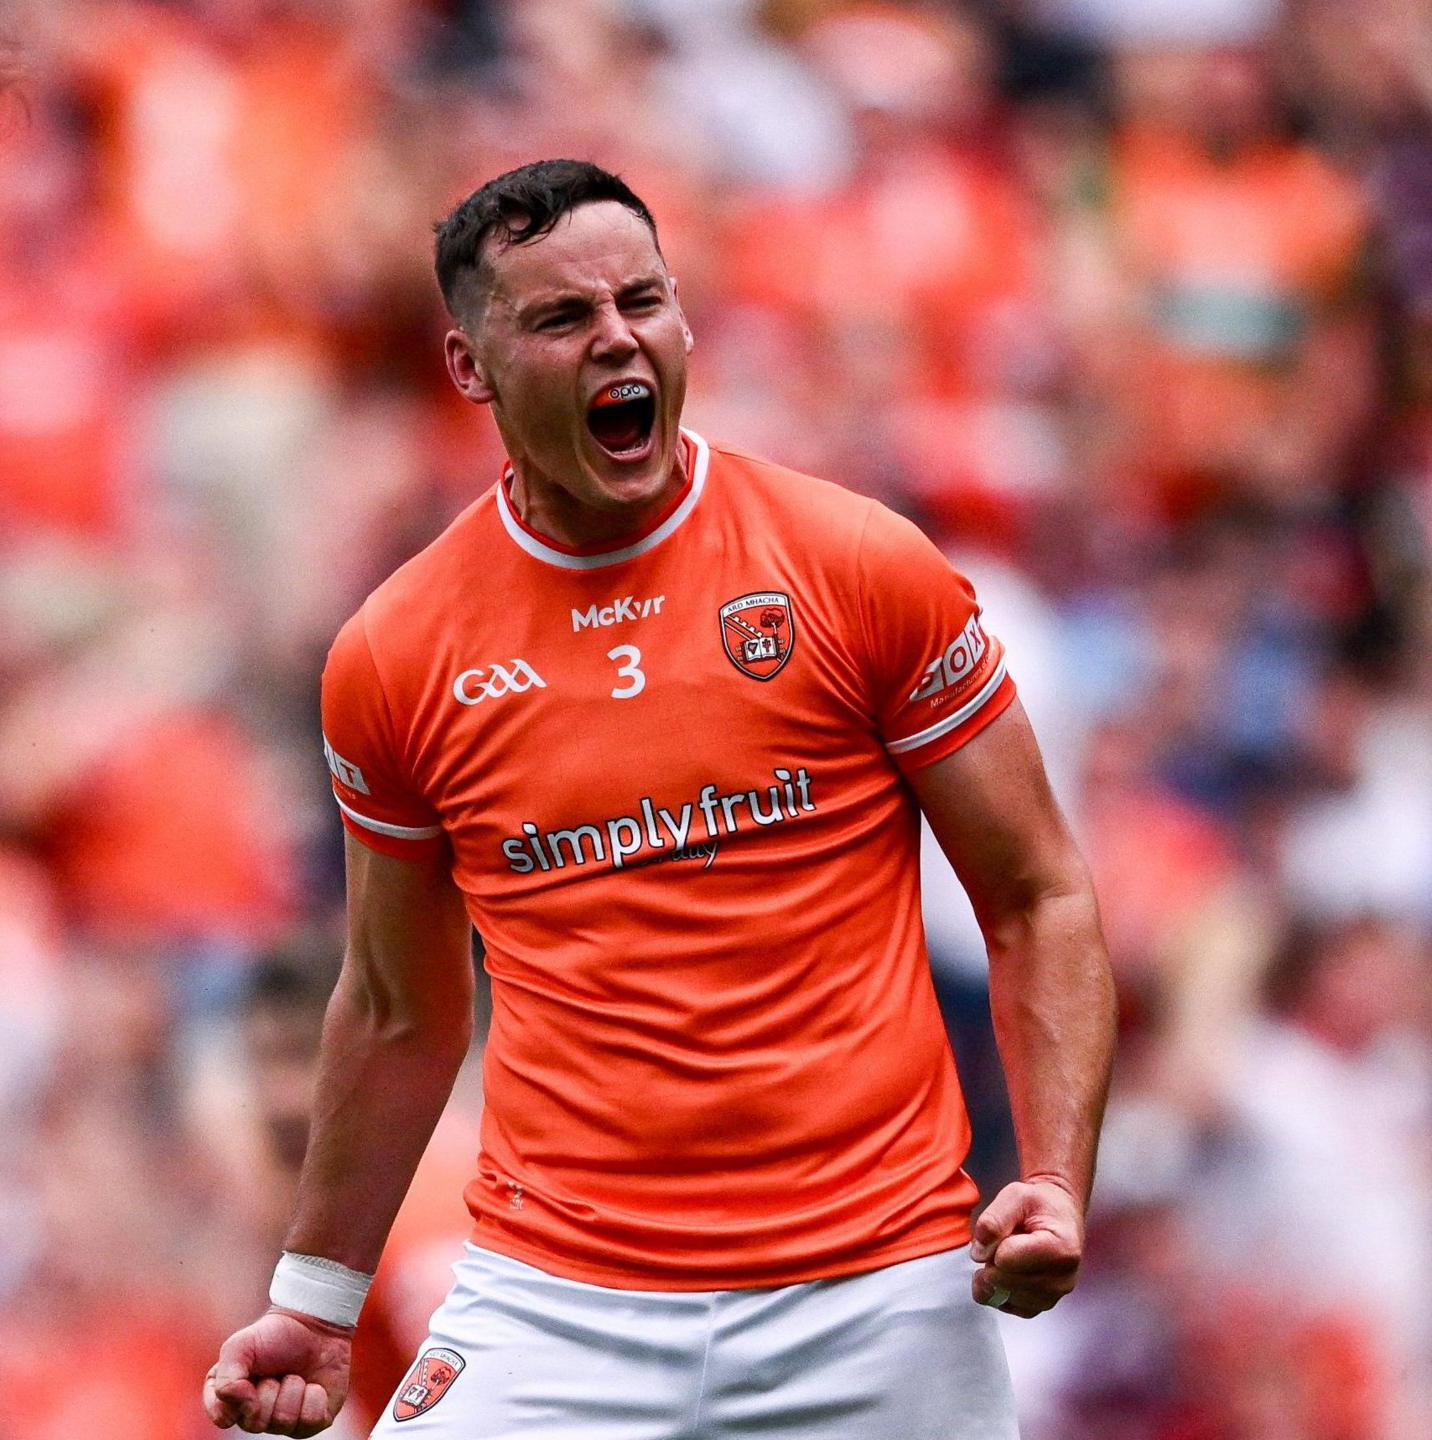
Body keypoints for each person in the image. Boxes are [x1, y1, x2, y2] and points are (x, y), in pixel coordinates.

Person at [201, 159, 1116, 1438]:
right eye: (561, 318)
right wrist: (314, 1299)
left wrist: (1054, 1177)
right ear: (469, 367)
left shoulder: (855, 564)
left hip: (878, 1292)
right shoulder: (396, 653)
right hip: (557, 1307)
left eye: (641, 300)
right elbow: (403, 1007)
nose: (615, 338)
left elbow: (1037, 893)